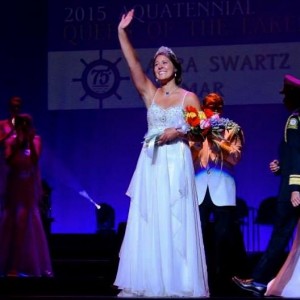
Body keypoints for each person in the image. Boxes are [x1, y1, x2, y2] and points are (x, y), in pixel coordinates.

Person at [114, 9, 209, 297]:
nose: (159, 67)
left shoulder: (188, 97)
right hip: (152, 163)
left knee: (175, 218)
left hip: (175, 161)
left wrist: (178, 132)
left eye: (164, 63)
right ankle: (150, 280)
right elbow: (133, 67)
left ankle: (179, 281)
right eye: (156, 64)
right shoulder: (150, 94)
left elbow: (200, 131)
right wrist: (122, 32)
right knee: (150, 217)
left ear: (175, 68)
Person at [233, 74, 300, 296]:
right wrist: (281, 166)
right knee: (282, 235)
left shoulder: (295, 120)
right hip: (292, 183)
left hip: (292, 190)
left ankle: (260, 280)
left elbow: (297, 154)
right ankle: (261, 279)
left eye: (286, 96)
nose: (283, 101)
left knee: (280, 235)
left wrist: (294, 186)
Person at [189, 93, 247, 296]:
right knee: (200, 234)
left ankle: (225, 278)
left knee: (224, 236)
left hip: (222, 186)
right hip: (199, 186)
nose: (213, 111)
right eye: (209, 107)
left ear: (221, 109)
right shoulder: (197, 128)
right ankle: (202, 277)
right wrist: (196, 141)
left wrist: (219, 141)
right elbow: (188, 155)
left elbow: (236, 157)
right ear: (203, 108)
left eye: (216, 107)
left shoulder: (233, 128)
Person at [0, 113, 53, 277]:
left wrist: (28, 140)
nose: (23, 126)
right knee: (11, 222)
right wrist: (17, 144)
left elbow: (35, 160)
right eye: (21, 123)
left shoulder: (36, 140)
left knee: (26, 222)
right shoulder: (10, 141)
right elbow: (7, 159)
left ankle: (25, 265)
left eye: (26, 123)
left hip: (28, 186)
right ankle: (9, 264)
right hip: (14, 185)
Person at [0, 96, 23, 211]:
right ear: (10, 108)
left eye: (18, 107)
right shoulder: (2, 124)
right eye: (14, 106)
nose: (16, 108)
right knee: (4, 195)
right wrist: (11, 132)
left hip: (19, 165)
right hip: (5, 165)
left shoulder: (24, 124)